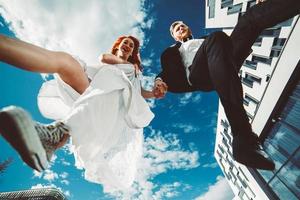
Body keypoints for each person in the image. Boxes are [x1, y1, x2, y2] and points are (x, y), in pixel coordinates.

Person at [153, 0, 300, 170]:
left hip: (222, 56)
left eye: (182, 25)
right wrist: (159, 81)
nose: (179, 27)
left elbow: (226, 42)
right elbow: (164, 72)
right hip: (199, 74)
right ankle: (243, 137)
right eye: (176, 29)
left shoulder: (205, 39)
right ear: (175, 37)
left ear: (189, 29)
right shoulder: (173, 52)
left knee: (249, 19)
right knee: (217, 37)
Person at [0, 35, 155, 190]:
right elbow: (104, 57)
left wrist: (154, 93)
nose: (127, 45)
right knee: (66, 62)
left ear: (133, 52)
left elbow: (138, 92)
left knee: (117, 81)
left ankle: (57, 133)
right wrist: (128, 64)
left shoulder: (133, 73)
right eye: (125, 43)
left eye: (131, 46)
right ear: (118, 46)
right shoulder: (115, 60)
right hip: (93, 87)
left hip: (113, 105)